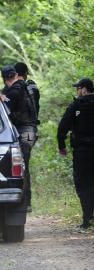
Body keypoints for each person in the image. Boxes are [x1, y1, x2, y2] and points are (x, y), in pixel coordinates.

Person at [57, 78, 94, 229]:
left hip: (82, 152)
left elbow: (62, 127)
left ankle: (87, 219)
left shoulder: (76, 105)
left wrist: (62, 146)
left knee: (83, 184)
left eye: (78, 88)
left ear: (84, 89)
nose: (77, 91)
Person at [1, 65, 38, 212]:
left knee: (21, 165)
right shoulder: (29, 87)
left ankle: (24, 202)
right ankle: (25, 201)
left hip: (24, 130)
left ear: (4, 78)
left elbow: (7, 112)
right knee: (23, 165)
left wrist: (3, 99)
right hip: (30, 130)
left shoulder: (14, 91)